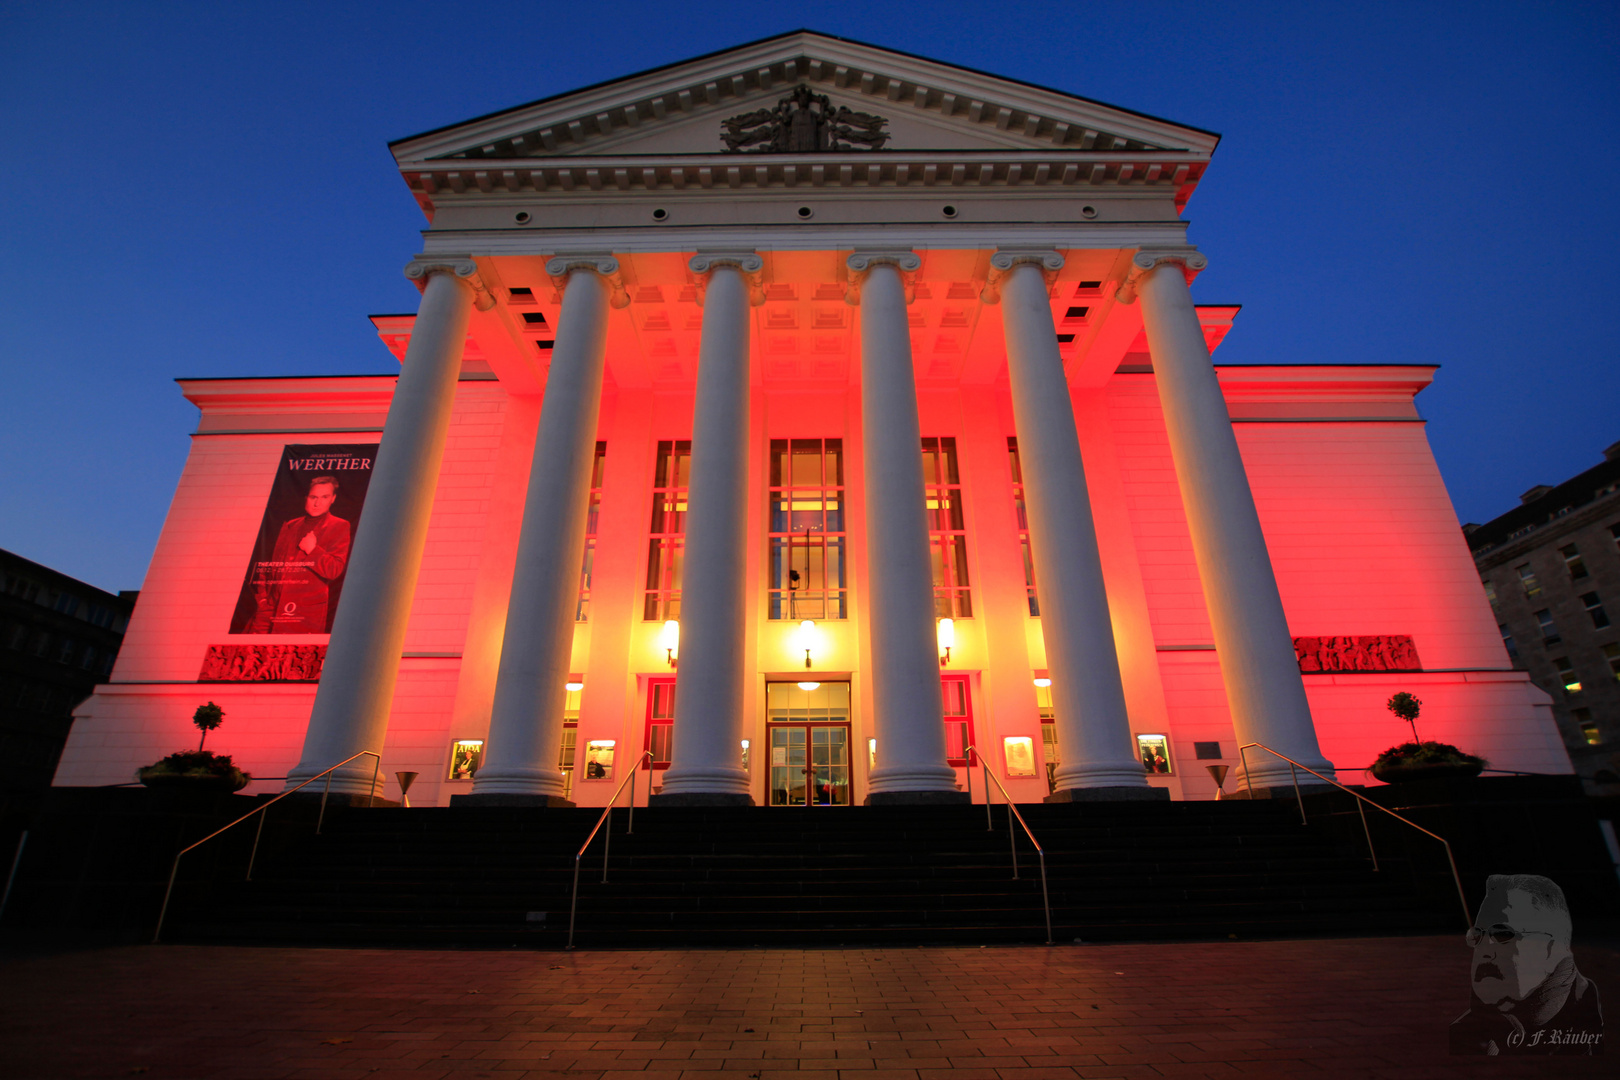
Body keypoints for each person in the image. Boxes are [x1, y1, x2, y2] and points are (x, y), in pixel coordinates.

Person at [1450, 874, 1603, 1054]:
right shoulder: (1463, 1035)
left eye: (1502, 934)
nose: (1484, 950)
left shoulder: (1584, 1011)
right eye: (1477, 935)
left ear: (1549, 949)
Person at [249, 475, 351, 633]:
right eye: (313, 497)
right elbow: (270, 561)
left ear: (333, 499)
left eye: (325, 497)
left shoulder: (339, 526)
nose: (317, 503)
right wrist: (263, 598)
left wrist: (313, 550)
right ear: (306, 498)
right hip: (269, 610)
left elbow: (334, 569)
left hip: (304, 614)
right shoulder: (291, 524)